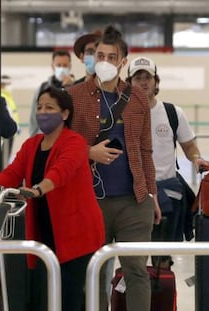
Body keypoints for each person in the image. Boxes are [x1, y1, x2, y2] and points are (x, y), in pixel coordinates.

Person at [68, 25, 161, 311]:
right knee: (93, 272)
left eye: (111, 56)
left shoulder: (137, 99)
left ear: (122, 62)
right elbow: (60, 150)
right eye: (99, 55)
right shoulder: (73, 97)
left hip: (134, 200)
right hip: (90, 201)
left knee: (136, 272)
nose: (104, 61)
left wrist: (152, 195)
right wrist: (89, 152)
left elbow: (146, 151)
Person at [0, 86, 105, 311]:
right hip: (45, 234)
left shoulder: (75, 142)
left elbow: (60, 172)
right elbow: (11, 174)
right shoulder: (32, 145)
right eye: (39, 107)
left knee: (69, 298)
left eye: (49, 107)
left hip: (76, 235)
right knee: (45, 297)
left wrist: (38, 189)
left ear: (65, 114)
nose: (42, 112)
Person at [126, 56, 209, 249]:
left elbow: (188, 146)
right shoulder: (122, 114)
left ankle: (161, 275)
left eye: (148, 77)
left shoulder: (173, 112)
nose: (143, 82)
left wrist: (196, 158)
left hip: (168, 194)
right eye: (137, 77)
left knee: (163, 257)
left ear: (156, 82)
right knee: (133, 257)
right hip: (132, 195)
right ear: (129, 83)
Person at [28, 49, 75, 136]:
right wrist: (33, 138)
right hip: (45, 137)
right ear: (53, 66)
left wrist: (70, 87)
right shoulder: (42, 88)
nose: (62, 69)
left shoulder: (77, 88)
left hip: (68, 138)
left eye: (65, 65)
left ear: (70, 66)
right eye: (58, 65)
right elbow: (34, 118)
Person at [1, 74, 21, 160]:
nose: (9, 86)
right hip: (5, 134)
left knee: (6, 157)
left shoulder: (9, 97)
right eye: (7, 84)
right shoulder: (2, 97)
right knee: (3, 159)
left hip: (12, 130)